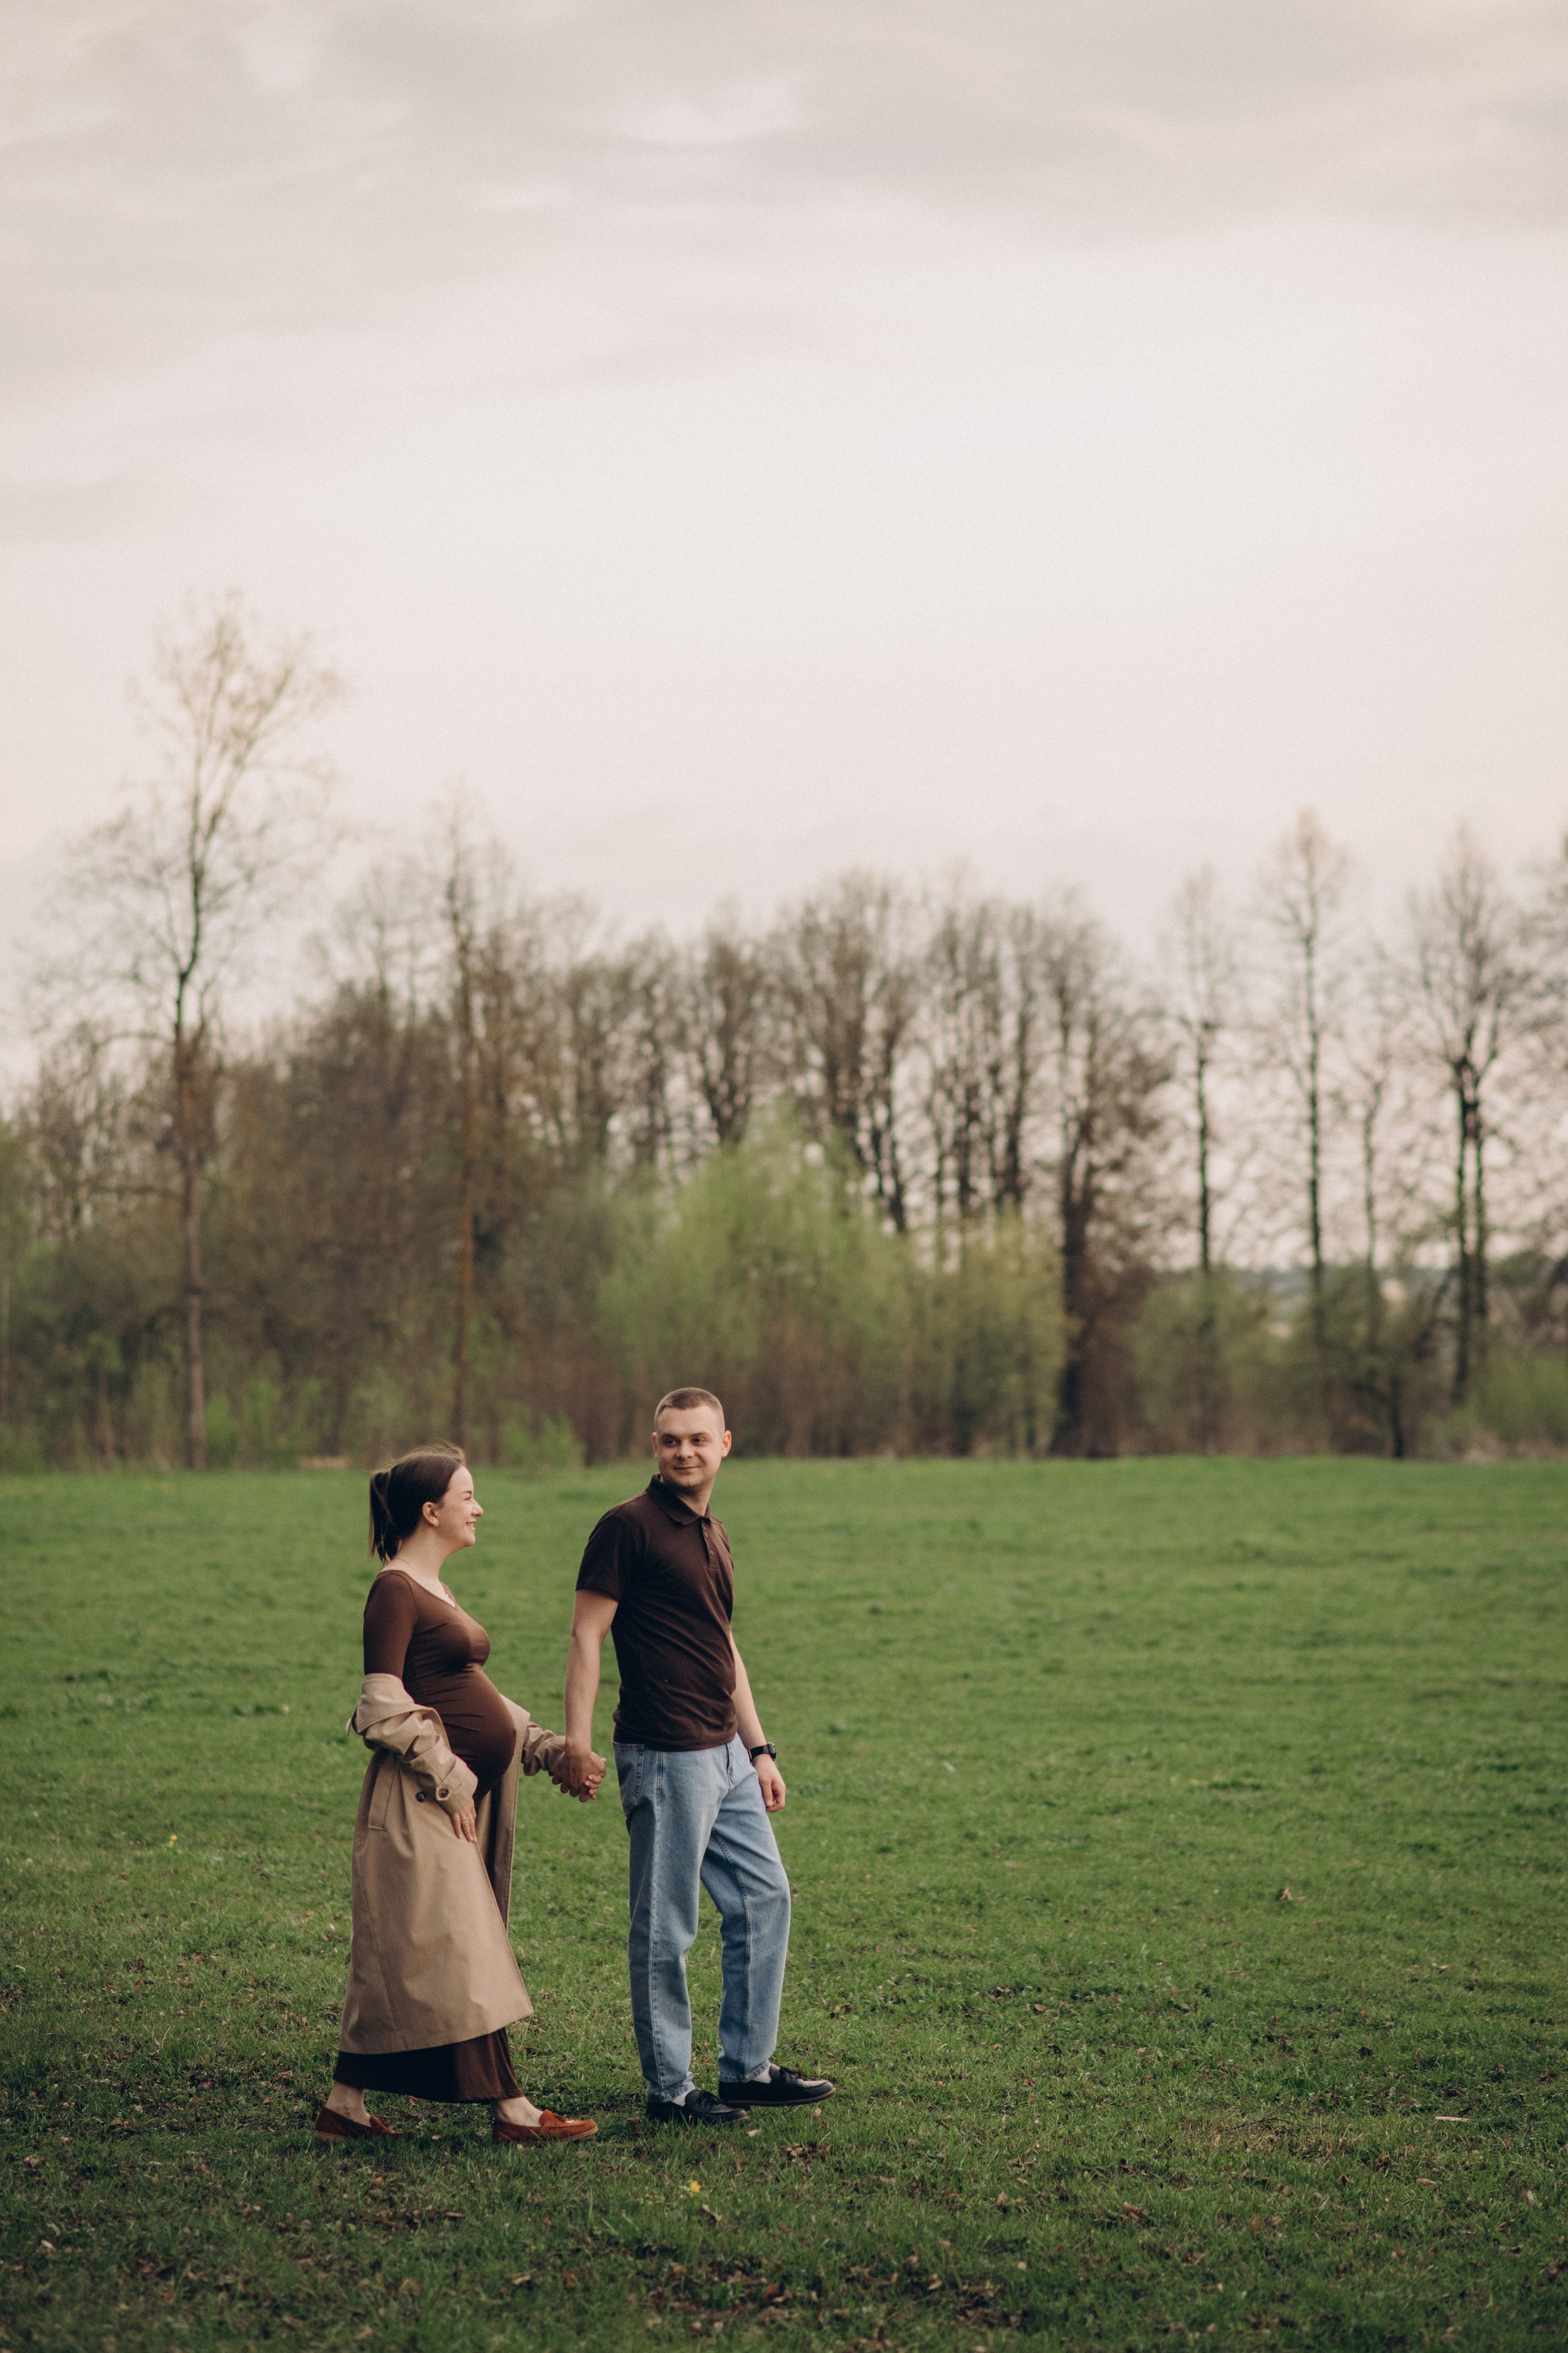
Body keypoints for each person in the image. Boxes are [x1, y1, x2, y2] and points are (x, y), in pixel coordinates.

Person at [317, 1443, 606, 2147]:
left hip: (450, 1802)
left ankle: (344, 2106)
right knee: (459, 1953)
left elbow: (467, 1697)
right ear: (431, 1511)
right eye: (468, 1496)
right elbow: (381, 1704)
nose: (478, 1508)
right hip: (421, 1804)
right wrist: (451, 1778)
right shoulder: (394, 1589)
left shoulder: (436, 1590)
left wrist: (543, 1748)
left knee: (428, 1957)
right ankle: (511, 2107)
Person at [559, 1388, 834, 2126]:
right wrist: (577, 1740)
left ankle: (746, 2069)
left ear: (725, 1444)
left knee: (764, 1897)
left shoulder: (712, 1531)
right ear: (655, 1445)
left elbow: (724, 1646)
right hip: (664, 1753)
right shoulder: (627, 1527)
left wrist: (760, 1747)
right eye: (671, 1439)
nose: (685, 1451)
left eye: (698, 1439)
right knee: (666, 1926)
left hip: (725, 1753)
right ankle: (671, 2089)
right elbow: (587, 1635)